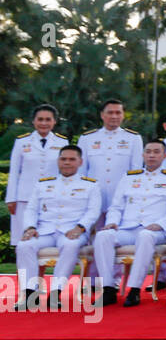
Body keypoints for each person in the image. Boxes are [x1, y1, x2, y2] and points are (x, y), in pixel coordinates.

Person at [92, 139, 166, 307]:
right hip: (128, 228)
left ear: (164, 156)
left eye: (156, 152)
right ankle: (108, 288)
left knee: (145, 236)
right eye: (148, 151)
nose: (151, 155)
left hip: (157, 230)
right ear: (143, 155)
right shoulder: (129, 177)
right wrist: (112, 222)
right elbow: (117, 206)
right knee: (103, 236)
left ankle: (134, 289)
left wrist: (162, 224)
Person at [14, 146, 101, 311]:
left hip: (72, 231)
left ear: (80, 162)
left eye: (72, 159)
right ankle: (30, 294)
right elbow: (31, 209)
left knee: (70, 244)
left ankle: (55, 293)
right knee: (24, 245)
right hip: (45, 230)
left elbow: (93, 211)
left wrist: (80, 227)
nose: (67, 163)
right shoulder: (43, 184)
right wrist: (30, 228)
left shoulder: (90, 185)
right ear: (58, 161)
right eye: (63, 159)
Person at [6, 104, 68, 247]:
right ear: (33, 121)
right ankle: (22, 271)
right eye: (40, 119)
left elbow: (64, 172)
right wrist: (11, 198)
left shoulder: (62, 142)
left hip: (50, 198)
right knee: (22, 240)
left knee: (44, 240)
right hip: (24, 198)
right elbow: (14, 172)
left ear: (54, 121)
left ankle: (39, 271)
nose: (44, 123)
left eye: (48, 119)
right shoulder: (22, 142)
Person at [78, 98, 144, 227]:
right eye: (110, 112)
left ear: (123, 115)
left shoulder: (133, 138)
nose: (114, 116)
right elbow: (81, 170)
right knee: (92, 236)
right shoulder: (87, 138)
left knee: (118, 235)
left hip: (121, 195)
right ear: (102, 115)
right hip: (94, 195)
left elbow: (136, 172)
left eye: (118, 113)